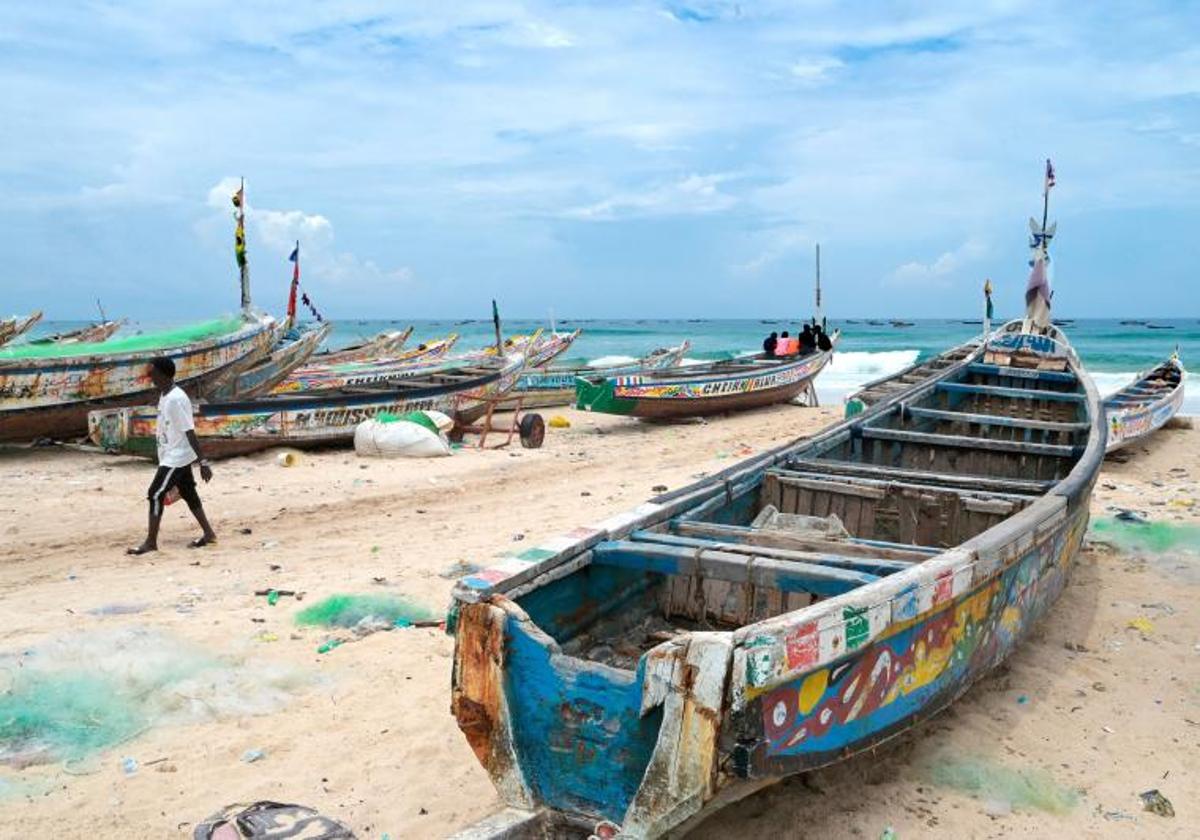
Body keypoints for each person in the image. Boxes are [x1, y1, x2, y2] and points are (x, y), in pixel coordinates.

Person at [127, 357, 217, 555]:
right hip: (171, 453)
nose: (149, 376)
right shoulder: (166, 395)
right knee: (188, 492)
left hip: (177, 456)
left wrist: (203, 461)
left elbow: (189, 431)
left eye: (152, 372)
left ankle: (151, 542)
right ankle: (209, 534)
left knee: (155, 494)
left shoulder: (176, 399)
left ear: (162, 374)